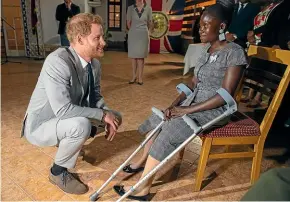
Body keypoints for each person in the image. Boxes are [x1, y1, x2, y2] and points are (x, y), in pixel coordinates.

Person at [114, 3, 247, 200]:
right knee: (161, 117)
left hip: (215, 110)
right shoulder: (207, 50)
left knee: (170, 129)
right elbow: (193, 83)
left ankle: (143, 188)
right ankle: (142, 161)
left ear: (221, 27)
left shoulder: (233, 52)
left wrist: (186, 111)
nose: (199, 29)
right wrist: (174, 105)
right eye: (200, 24)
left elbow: (225, 95)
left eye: (205, 25)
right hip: (194, 104)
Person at [21, 13, 122, 195]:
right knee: (81, 125)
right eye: (97, 38)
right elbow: (63, 109)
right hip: (43, 123)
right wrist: (101, 115)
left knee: (115, 117)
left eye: (102, 37)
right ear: (80, 39)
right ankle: (57, 172)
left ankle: (71, 142)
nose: (103, 43)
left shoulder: (95, 65)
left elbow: (95, 96)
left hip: (66, 118)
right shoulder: (58, 61)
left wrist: (106, 112)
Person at [242, 0, 290, 107]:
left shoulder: (283, 5)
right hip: (262, 42)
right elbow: (265, 24)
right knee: (255, 69)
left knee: (266, 74)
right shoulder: (271, 6)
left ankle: (258, 97)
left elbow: (274, 25)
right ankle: (250, 95)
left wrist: (281, 44)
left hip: (273, 43)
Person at [127, 0, 152, 85]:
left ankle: (140, 78)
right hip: (133, 34)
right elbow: (128, 23)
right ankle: (134, 76)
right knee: (133, 57)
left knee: (141, 57)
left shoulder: (148, 9)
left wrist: (146, 31)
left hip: (143, 34)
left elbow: (150, 22)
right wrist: (134, 30)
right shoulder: (130, 8)